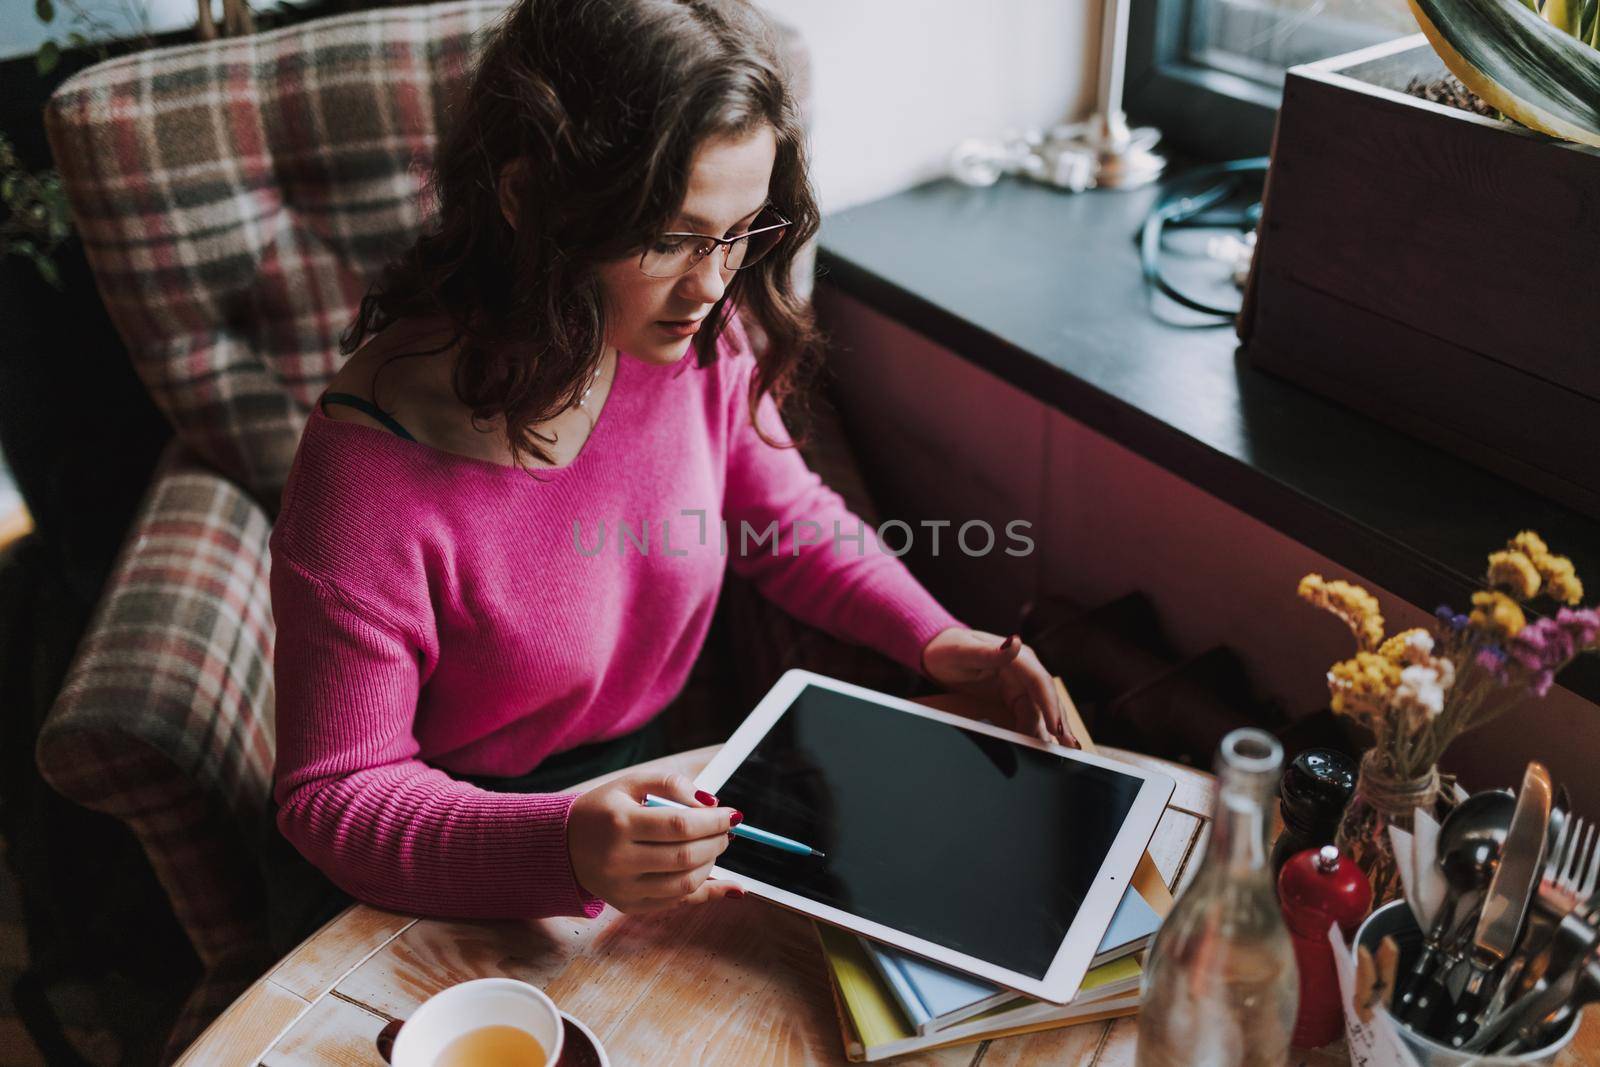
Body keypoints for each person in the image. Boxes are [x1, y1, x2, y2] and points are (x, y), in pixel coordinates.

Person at [266, 0, 1077, 948]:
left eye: (739, 232)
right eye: (672, 236)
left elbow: (781, 514)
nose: (713, 284)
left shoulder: (694, 337)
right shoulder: (366, 476)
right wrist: (561, 844)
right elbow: (335, 793)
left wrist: (938, 640)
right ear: (527, 199)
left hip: (642, 800)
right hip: (442, 855)